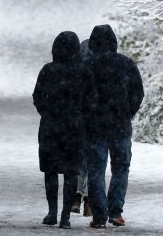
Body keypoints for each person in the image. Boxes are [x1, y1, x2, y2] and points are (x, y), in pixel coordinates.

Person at [33, 31, 97, 229]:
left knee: (50, 172)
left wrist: (49, 113)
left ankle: (52, 212)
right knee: (71, 173)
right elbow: (92, 101)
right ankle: (65, 217)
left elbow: (37, 98)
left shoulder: (47, 70)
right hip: (75, 130)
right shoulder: (84, 72)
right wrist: (80, 116)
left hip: (50, 129)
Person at [83, 24, 144, 228]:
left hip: (94, 128)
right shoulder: (126, 64)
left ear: (92, 43)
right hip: (120, 126)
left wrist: (87, 114)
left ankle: (99, 215)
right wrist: (127, 112)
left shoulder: (86, 65)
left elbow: (79, 95)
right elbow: (138, 93)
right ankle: (116, 212)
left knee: (96, 171)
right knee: (121, 169)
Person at [71, 38, 93, 217]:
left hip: (78, 123)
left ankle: (78, 194)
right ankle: (89, 200)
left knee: (80, 161)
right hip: (95, 123)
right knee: (94, 162)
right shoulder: (99, 72)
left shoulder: (75, 72)